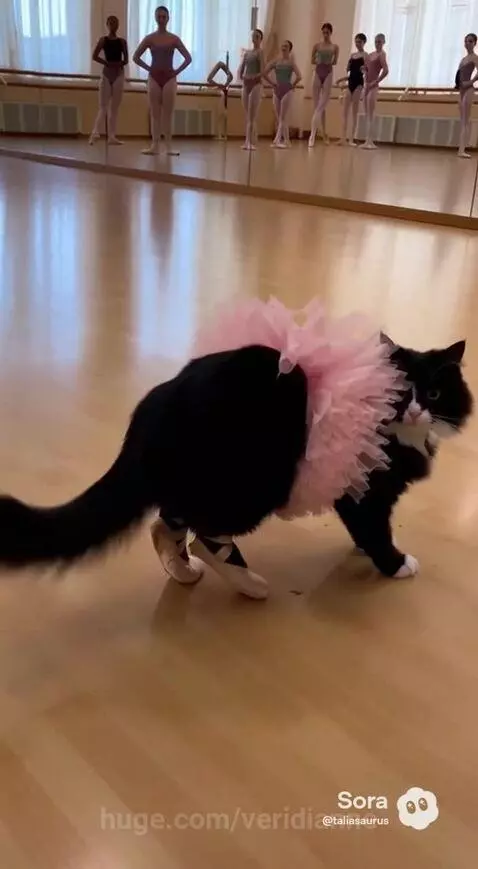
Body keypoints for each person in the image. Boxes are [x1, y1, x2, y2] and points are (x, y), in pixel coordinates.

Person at [133, 5, 192, 156]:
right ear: (155, 18)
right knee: (155, 113)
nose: (161, 19)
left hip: (169, 79)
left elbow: (188, 58)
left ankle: (169, 146)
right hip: (154, 78)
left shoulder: (174, 38)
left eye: (163, 17)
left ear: (168, 19)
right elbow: (135, 57)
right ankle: (154, 145)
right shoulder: (150, 38)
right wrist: (149, 68)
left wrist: (176, 71)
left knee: (168, 113)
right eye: (158, 17)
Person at [89, 16, 128, 146]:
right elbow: (94, 56)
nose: (113, 25)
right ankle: (95, 132)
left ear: (118, 25)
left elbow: (126, 60)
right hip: (106, 74)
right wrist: (106, 63)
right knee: (103, 107)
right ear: (107, 24)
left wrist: (117, 64)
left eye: (115, 23)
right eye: (110, 23)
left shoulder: (122, 42)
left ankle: (112, 136)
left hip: (119, 74)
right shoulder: (103, 40)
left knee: (114, 108)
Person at [263, 40, 302, 148]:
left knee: (282, 117)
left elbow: (299, 76)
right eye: (283, 46)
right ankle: (287, 141)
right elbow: (264, 73)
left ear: (290, 49)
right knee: (280, 118)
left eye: (286, 46)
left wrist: (292, 85)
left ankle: (277, 140)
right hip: (277, 90)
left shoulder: (291, 63)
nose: (284, 47)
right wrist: (272, 83)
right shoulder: (276, 61)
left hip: (287, 90)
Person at [309, 23, 339, 148]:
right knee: (318, 107)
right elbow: (312, 60)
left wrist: (329, 61)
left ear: (331, 33)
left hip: (328, 73)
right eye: (324, 32)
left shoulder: (335, 47)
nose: (325, 34)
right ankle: (323, 134)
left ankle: (312, 135)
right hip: (317, 72)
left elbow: (335, 62)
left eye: (327, 32)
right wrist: (318, 60)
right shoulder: (317, 46)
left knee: (321, 106)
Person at [336, 33, 367, 146]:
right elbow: (349, 72)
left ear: (364, 42)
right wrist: (341, 79)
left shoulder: (365, 56)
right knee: (344, 112)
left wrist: (365, 70)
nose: (357, 43)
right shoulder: (352, 55)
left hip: (359, 84)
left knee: (354, 111)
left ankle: (351, 139)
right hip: (350, 83)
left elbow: (366, 72)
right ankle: (343, 138)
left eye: (359, 42)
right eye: (356, 41)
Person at [360, 33, 388, 150]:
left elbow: (386, 71)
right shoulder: (371, 54)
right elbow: (366, 69)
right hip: (366, 85)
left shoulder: (382, 55)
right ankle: (367, 140)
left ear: (383, 43)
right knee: (366, 114)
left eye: (379, 42)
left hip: (373, 86)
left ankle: (370, 140)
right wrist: (364, 70)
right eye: (376, 41)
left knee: (370, 114)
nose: (377, 44)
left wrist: (376, 81)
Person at [238, 29, 264, 151]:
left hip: (256, 84)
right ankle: (248, 140)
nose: (255, 38)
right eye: (254, 36)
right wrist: (241, 76)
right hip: (246, 83)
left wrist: (254, 77)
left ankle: (250, 141)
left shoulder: (260, 52)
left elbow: (262, 70)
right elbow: (242, 68)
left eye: (257, 36)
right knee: (247, 114)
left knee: (252, 115)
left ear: (260, 39)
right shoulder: (247, 53)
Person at [455, 33, 478, 158]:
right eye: (466, 41)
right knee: (462, 121)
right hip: (461, 90)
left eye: (470, 41)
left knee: (465, 120)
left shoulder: (475, 57)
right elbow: (459, 75)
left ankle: (462, 150)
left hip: (468, 89)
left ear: (475, 43)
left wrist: (471, 82)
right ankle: (461, 150)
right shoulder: (463, 59)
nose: (467, 43)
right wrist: (458, 87)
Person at [206, 58, 233, 141]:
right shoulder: (221, 68)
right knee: (220, 115)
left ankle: (222, 135)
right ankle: (221, 134)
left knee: (223, 114)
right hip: (221, 93)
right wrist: (219, 85)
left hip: (224, 93)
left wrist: (223, 85)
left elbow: (230, 78)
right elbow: (209, 79)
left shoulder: (228, 75)